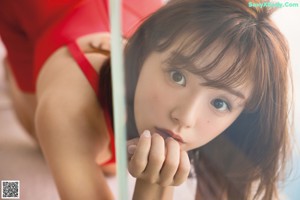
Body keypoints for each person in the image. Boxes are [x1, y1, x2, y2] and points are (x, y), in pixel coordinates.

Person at [125, 0, 292, 199]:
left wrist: (156, 182)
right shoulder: (83, 87)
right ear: (145, 50)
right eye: (177, 77)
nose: (186, 117)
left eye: (219, 103)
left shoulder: (228, 171)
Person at [0, 0, 162, 199]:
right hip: (34, 9)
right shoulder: (64, 109)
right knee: (46, 132)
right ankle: (11, 70)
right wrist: (154, 185)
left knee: (108, 162)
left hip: (135, 10)